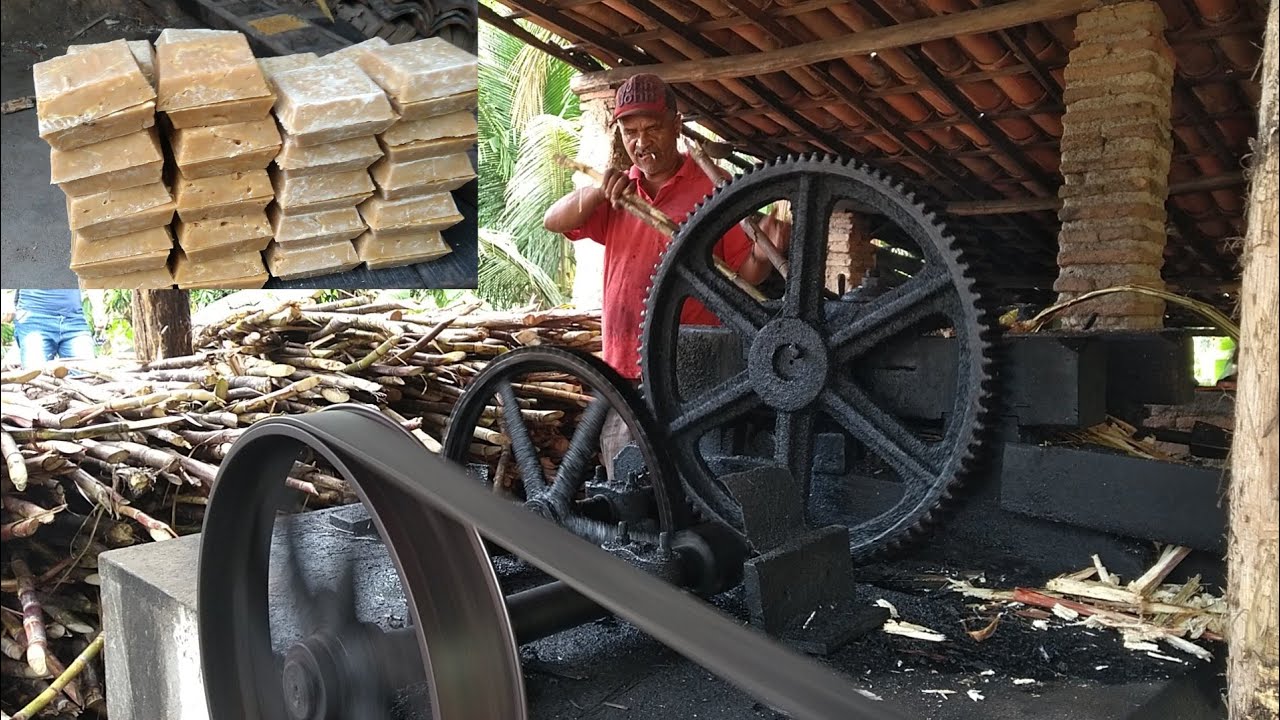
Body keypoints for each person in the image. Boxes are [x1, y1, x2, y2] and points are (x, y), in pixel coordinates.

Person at [543, 73, 788, 477]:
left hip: (691, 374)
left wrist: (765, 251)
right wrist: (598, 191)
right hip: (625, 372)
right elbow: (553, 220)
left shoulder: (714, 187)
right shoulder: (620, 192)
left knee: (691, 484)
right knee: (626, 489)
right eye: (630, 131)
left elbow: (747, 273)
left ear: (676, 124)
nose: (641, 143)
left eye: (652, 128)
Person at [2, 290, 96, 368]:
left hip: (74, 320)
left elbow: (93, 274)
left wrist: (98, 308)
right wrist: (6, 300)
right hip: (34, 320)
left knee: (87, 375)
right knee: (36, 380)